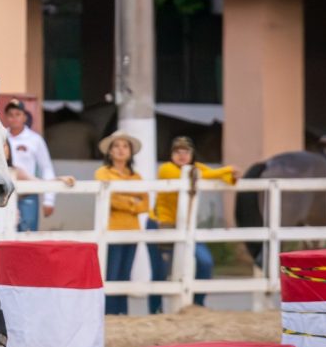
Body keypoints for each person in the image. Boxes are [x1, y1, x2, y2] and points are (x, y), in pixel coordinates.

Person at [147, 136, 241, 313]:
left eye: (186, 152)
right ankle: (155, 310)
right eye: (177, 152)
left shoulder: (195, 168)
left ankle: (197, 304)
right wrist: (227, 169)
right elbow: (201, 177)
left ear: (192, 154)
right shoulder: (166, 169)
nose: (182, 155)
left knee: (205, 262)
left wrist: (233, 176)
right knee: (160, 270)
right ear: (171, 154)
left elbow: (225, 178)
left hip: (185, 225)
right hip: (161, 223)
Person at [0, 142, 75, 283]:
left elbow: (38, 183)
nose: (1, 148)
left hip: (12, 226)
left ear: (9, 150)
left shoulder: (17, 171)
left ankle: (9, 305)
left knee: (10, 273)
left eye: (4, 145)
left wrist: (59, 179)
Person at [94, 130, 148, 315]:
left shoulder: (136, 177)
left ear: (130, 152)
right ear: (109, 151)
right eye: (116, 146)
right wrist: (132, 202)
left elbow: (146, 204)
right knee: (112, 273)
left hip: (132, 230)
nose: (121, 150)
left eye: (125, 146)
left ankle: (122, 314)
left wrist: (124, 202)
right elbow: (110, 199)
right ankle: (109, 313)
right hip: (112, 228)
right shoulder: (103, 173)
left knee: (125, 274)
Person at [3, 98, 56, 231]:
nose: (14, 118)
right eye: (10, 114)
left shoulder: (35, 139)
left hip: (28, 195)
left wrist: (49, 199)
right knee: (3, 235)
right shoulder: (1, 138)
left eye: (18, 114)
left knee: (27, 236)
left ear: (25, 117)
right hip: (4, 195)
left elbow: (46, 167)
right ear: (6, 117)